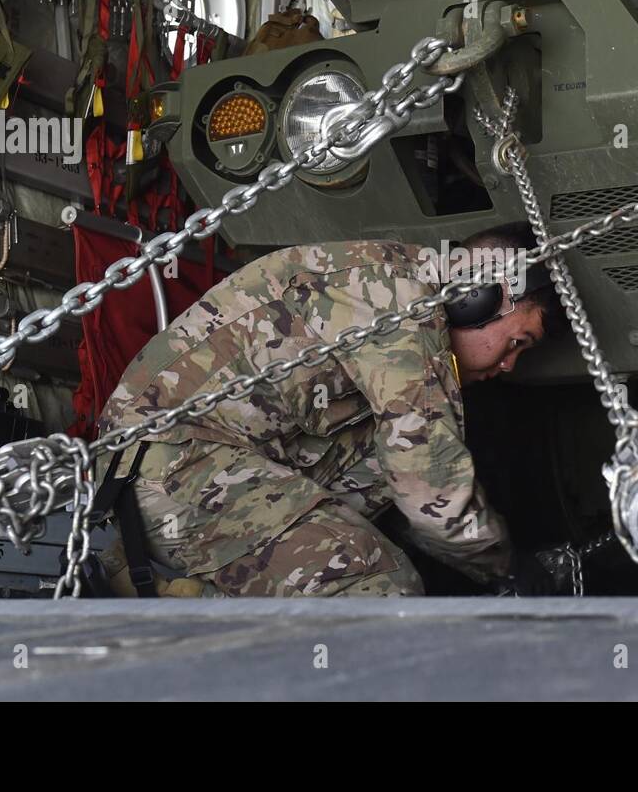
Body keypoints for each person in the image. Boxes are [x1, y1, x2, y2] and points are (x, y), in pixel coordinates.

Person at [92, 222, 564, 597]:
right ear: (474, 295)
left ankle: (184, 592)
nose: (508, 365)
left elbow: (405, 480)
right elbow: (430, 490)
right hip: (172, 466)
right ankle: (189, 598)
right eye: (517, 342)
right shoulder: (401, 304)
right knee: (379, 586)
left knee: (385, 465)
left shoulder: (400, 285)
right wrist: (509, 567)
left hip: (173, 466)